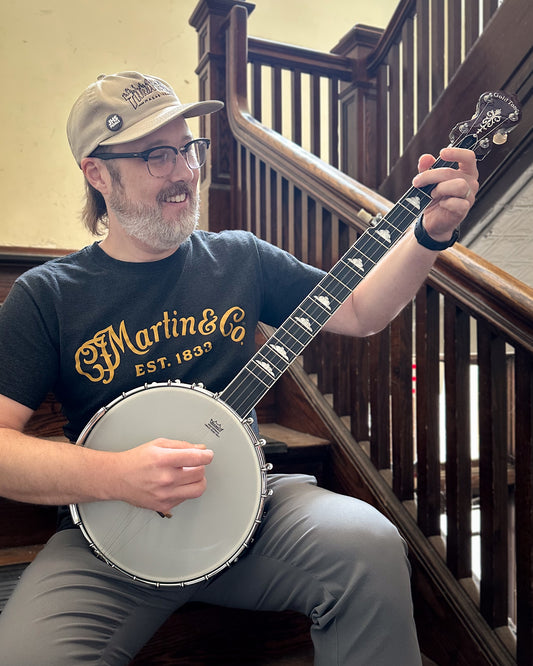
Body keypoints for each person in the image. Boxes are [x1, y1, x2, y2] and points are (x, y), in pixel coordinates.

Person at [0, 71, 479, 665]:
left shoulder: (239, 257)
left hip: (252, 511)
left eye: (188, 148)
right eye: (156, 155)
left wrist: (430, 235)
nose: (183, 171)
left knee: (370, 543)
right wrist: (118, 475)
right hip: (110, 540)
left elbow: (360, 311)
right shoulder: (48, 295)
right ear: (97, 173)